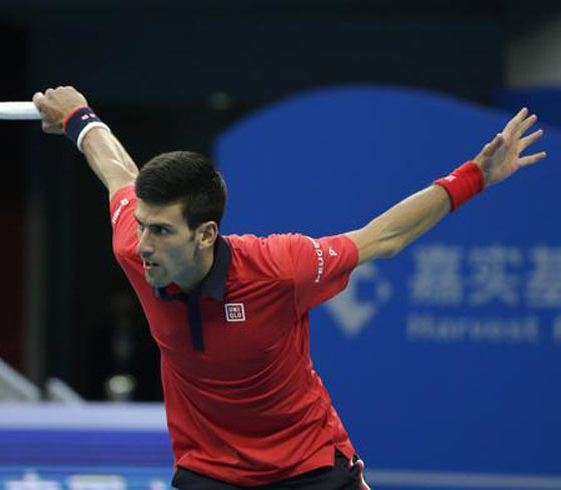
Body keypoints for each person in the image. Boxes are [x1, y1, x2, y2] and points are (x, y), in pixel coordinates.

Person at [32, 87, 546, 489]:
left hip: (309, 467)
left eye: (161, 231)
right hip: (210, 472)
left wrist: (475, 177)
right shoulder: (135, 247)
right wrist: (80, 117)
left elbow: (382, 238)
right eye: (143, 226)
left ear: (206, 234)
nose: (143, 243)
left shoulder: (279, 268)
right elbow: (117, 170)